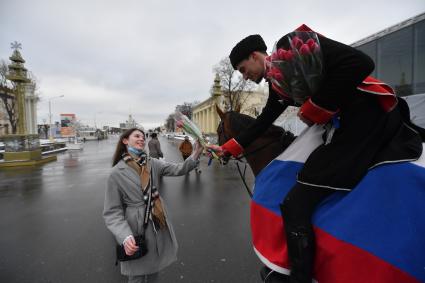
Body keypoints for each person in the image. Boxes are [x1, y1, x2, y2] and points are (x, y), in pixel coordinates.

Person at [210, 25, 423, 283]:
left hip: (365, 123)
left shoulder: (292, 46)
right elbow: (263, 122)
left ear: (256, 56)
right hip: (343, 127)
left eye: (244, 69)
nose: (244, 77)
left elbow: (361, 62)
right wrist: (229, 147)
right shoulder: (279, 84)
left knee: (295, 204)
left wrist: (318, 104)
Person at [103, 128, 203, 283]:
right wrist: (125, 236)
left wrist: (196, 153)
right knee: (136, 274)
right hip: (135, 228)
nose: (142, 139)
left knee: (154, 269)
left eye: (143, 137)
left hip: (156, 222)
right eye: (137, 136)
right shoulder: (116, 172)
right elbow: (112, 212)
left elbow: (179, 169)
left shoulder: (152, 163)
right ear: (125, 141)